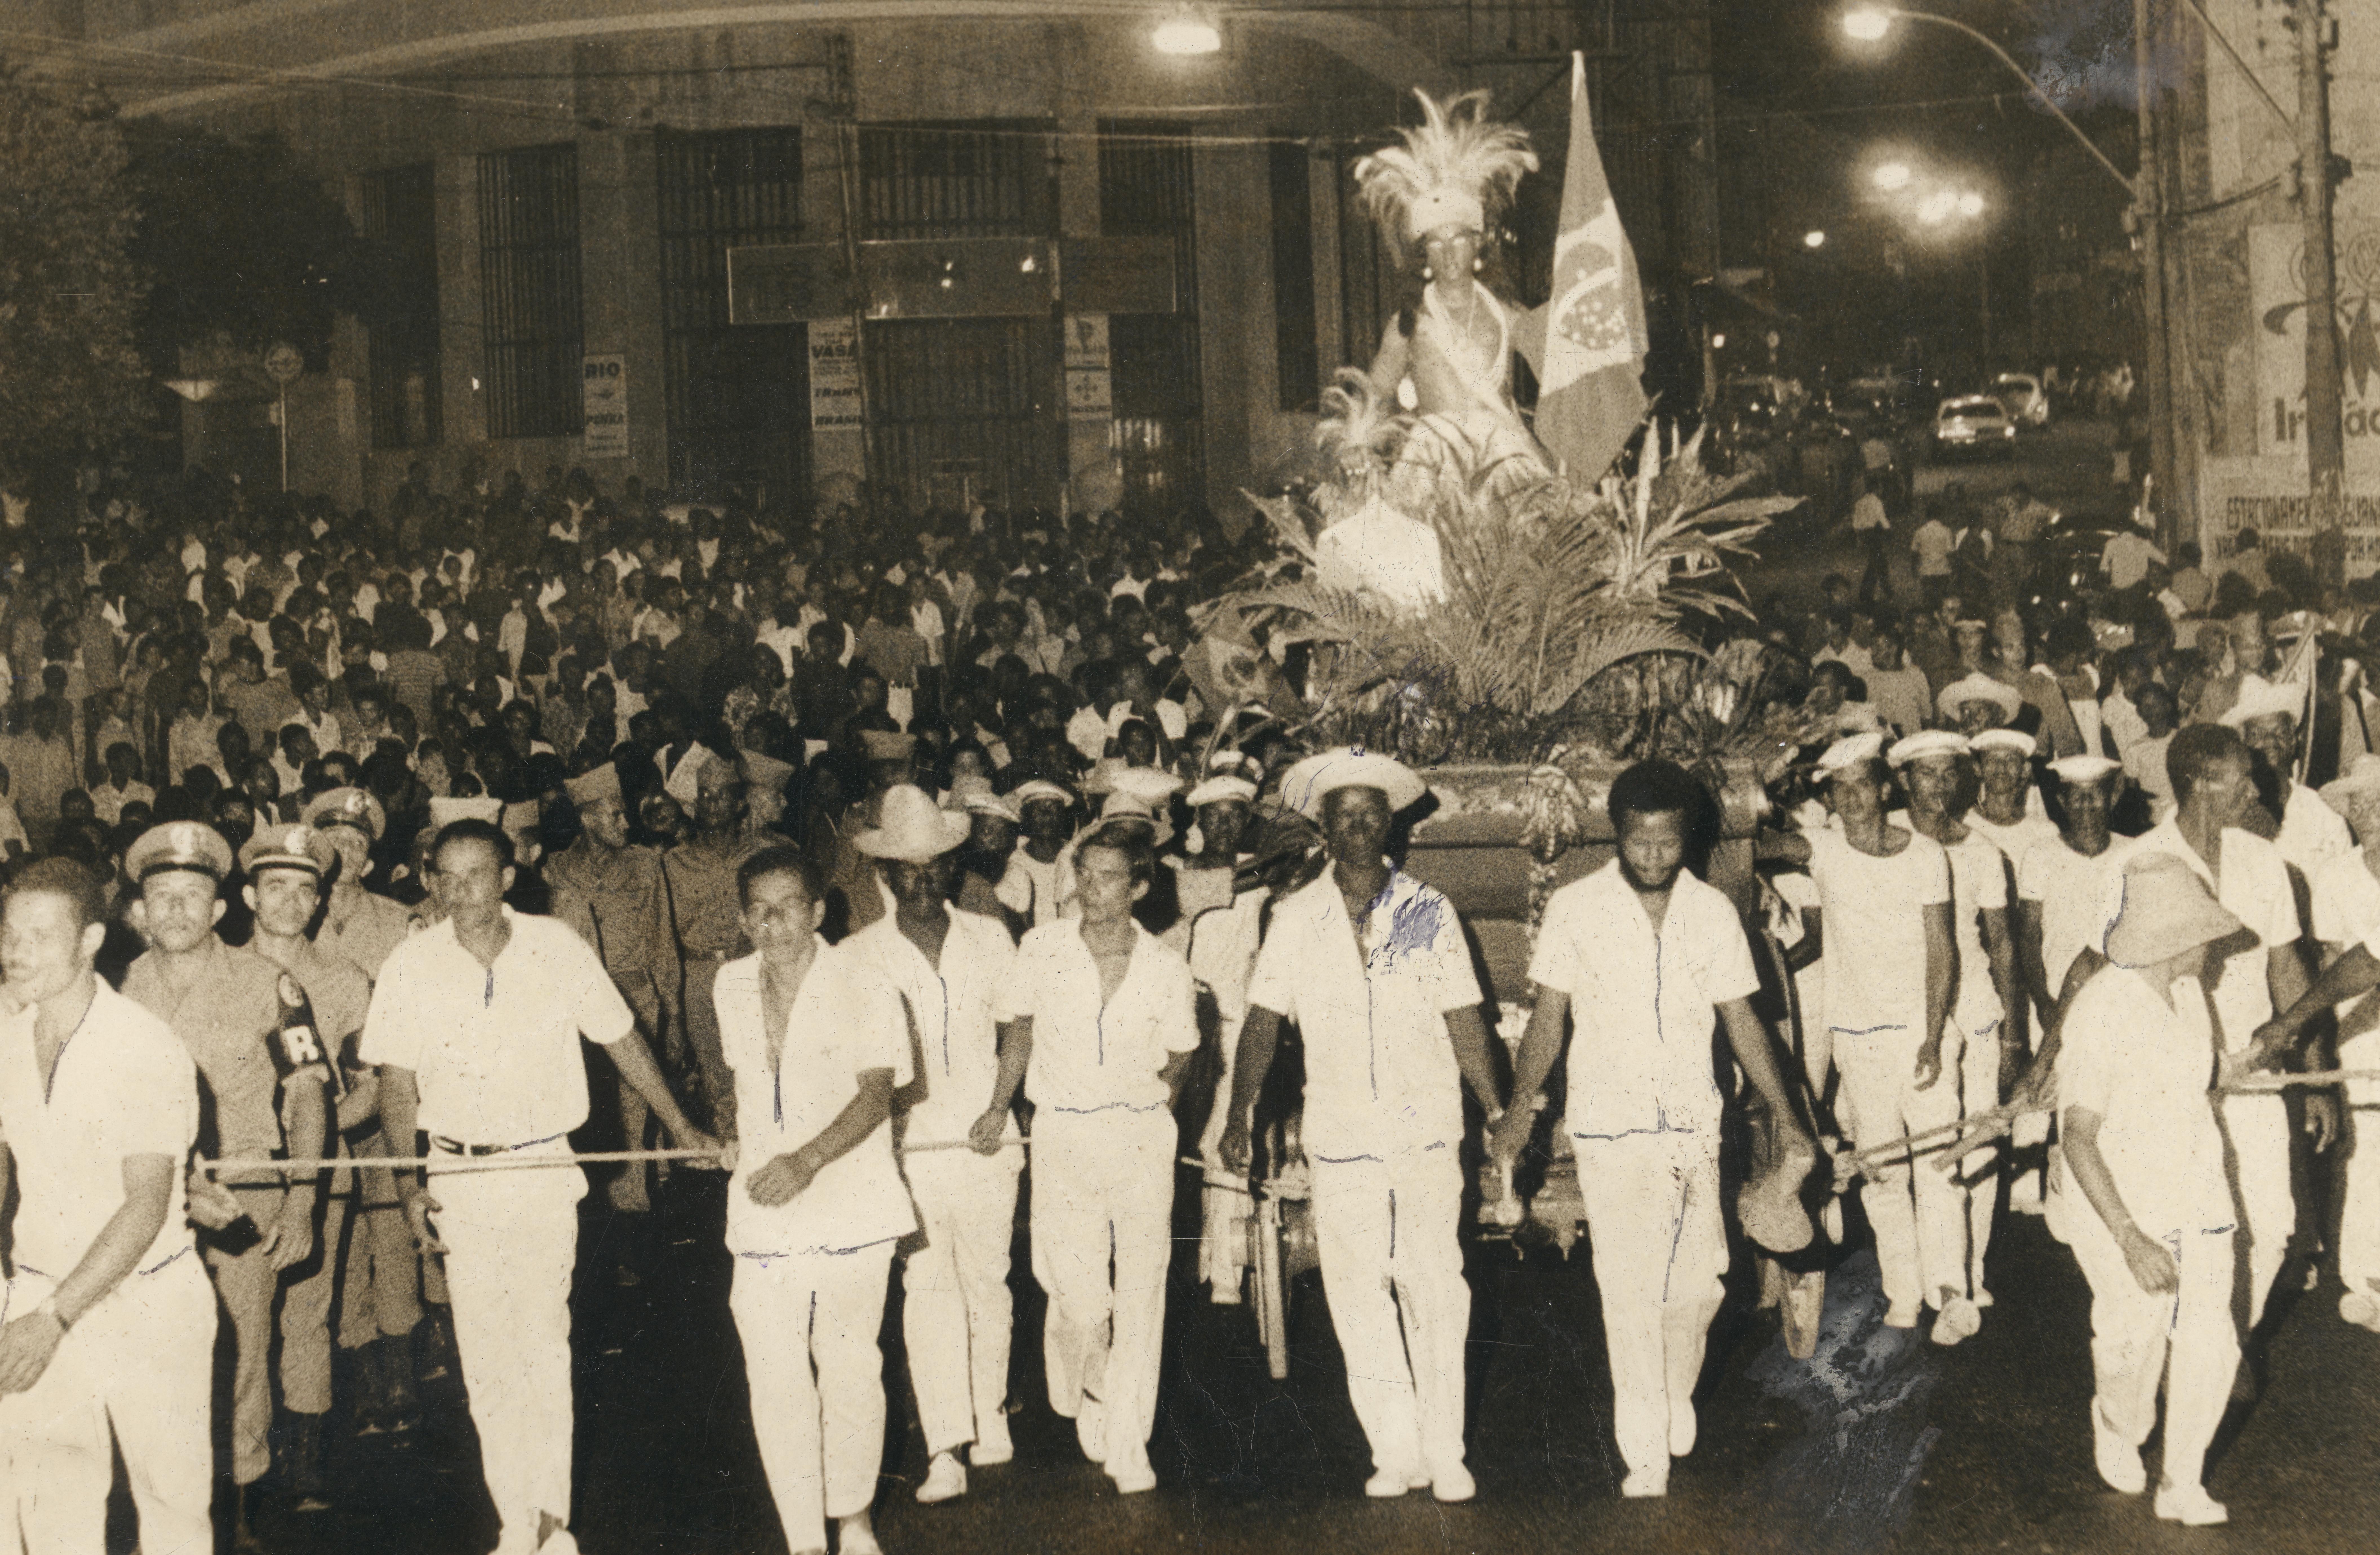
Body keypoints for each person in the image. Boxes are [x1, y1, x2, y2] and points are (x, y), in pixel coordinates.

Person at [361, 818, 719, 1555]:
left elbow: (624, 1041)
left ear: (507, 878)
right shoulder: (410, 963)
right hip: (458, 1176)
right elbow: (396, 1084)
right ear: (432, 879)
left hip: (542, 1170)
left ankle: (553, 1526)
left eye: (476, 876)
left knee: (542, 1347)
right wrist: (408, 1183)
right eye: (447, 877)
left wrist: (682, 1130)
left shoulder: (557, 947)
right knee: (487, 1362)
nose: (461, 893)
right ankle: (516, 1525)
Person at [1492, 760, 1813, 1496]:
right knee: (1629, 1289)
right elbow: (1549, 1019)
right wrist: (1518, 1112)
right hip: (1611, 1130)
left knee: (1699, 1288)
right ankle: (1643, 1449)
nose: (1653, 858)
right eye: (1639, 842)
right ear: (1618, 834)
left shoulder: (1712, 913)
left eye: (1668, 844)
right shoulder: (1576, 909)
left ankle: (1673, 1389)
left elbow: (1743, 1022)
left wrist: (1792, 1118)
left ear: (1687, 838)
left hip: (1693, 1127)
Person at [1221, 749, 1503, 1501]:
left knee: (1436, 1284)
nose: (1359, 831)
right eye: (1345, 818)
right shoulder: (1296, 917)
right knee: (1355, 1289)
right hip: (1341, 1133)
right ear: (1324, 828)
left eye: (1372, 818)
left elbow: (1465, 1020)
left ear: (1390, 827)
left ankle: (1446, 1450)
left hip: (1424, 1127)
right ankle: (1395, 1447)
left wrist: (1499, 1107)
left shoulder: (1425, 912)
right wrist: (1239, 1113)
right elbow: (1260, 1023)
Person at [2049, 725, 2321, 1337]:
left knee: (2274, 1227)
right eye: (2242, 775)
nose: (2257, 787)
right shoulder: (2134, 863)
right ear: (2201, 783)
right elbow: (2094, 967)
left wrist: (2316, 1072)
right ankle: (2191, 1349)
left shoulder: (2264, 860)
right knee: (2176, 1225)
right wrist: (2046, 1062)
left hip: (2253, 1071)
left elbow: (2287, 963)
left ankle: (2217, 1346)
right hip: (2164, 1082)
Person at [119, 820, 332, 1541]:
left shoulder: (268, 983)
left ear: (219, 911)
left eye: (193, 897)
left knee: (240, 1352)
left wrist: (303, 1199)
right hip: (151, 1203)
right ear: (139, 913)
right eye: (162, 897)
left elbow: (308, 1093)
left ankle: (239, 1509)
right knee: (154, 1355)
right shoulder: (126, 987)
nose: (177, 911)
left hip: (248, 1195)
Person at [0, 858, 214, 1555]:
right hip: (38, 1296)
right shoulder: (6, 1037)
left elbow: (145, 1206)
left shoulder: (142, 1045)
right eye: (9, 932)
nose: (16, 949)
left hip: (145, 1302)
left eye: (38, 933)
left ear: (90, 939)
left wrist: (54, 1316)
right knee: (53, 1509)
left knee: (171, 1509)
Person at [983, 820, 1201, 1495]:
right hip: (1061, 1135)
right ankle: (1094, 1378)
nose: (1093, 889)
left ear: (1139, 885)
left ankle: (1128, 1437)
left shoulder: (1168, 967)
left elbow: (1184, 1053)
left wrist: (1150, 1110)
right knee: (1073, 1288)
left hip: (1137, 1137)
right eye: (1086, 874)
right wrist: (998, 1104)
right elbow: (1016, 1029)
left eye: (1110, 877)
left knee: (1141, 1288)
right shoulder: (1040, 947)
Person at [715, 847, 912, 1555]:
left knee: (850, 1364)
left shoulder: (865, 979)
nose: (775, 922)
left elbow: (876, 1093)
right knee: (773, 1372)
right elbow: (742, 1084)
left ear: (817, 909)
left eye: (789, 904)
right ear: (742, 919)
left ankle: (853, 1519)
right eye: (759, 910)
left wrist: (806, 1159)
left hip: (849, 1201)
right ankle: (803, 1539)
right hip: (764, 1207)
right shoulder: (729, 985)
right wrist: (725, 1130)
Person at [844, 787, 1022, 1505]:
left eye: (932, 866)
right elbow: (862, 1073)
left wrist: (999, 1104)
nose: (920, 879)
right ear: (885, 875)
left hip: (987, 1139)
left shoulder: (991, 935)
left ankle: (989, 1415)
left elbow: (1019, 1028)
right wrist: (878, 1153)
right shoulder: (857, 956)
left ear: (952, 868)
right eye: (905, 869)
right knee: (926, 1288)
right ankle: (943, 1444)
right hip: (908, 1149)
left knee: (988, 1279)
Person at [2056, 853, 2244, 1526]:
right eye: (2202, 930)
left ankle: (2181, 1479)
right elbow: (2076, 1134)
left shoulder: (2191, 993)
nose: (2212, 940)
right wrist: (2129, 1235)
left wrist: (2236, 1064)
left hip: (2196, 1191)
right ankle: (2115, 1419)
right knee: (2131, 1346)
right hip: (2121, 1205)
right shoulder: (2100, 1007)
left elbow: (2190, 1075)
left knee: (2209, 1341)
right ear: (2171, 936)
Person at [1770, 734, 1960, 1330]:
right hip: (1857, 1037)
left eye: (1861, 783)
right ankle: (1904, 1294)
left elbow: (1943, 951)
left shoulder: (1927, 855)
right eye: (1839, 787)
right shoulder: (1823, 851)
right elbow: (1754, 844)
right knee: (1882, 1173)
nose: (1851, 796)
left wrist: (1932, 1037)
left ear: (1885, 789)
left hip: (1922, 1035)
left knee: (1938, 1165)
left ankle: (1950, 1293)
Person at [236, 820, 375, 1512]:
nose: (290, 902)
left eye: (304, 890)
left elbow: (372, 1085)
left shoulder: (345, 979)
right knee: (241, 1319)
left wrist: (309, 1139)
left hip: (320, 1176)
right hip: (235, 1180)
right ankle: (242, 1456)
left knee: (306, 1314)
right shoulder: (220, 968)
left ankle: (305, 1453)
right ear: (250, 895)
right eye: (276, 887)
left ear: (321, 902)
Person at [1893, 731, 2023, 1332]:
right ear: (1904, 781)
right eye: (1926, 774)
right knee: (1939, 1146)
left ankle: (1972, 1272)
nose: (1939, 786)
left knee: (1983, 1139)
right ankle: (1946, 1286)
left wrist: (2015, 1036)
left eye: (1949, 774)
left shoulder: (1985, 853)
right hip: (1918, 1015)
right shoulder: (1883, 843)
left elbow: (2001, 946)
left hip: (1977, 1009)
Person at [547, 761, 678, 1220]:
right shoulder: (556, 869)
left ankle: (632, 1218)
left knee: (633, 1108)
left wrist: (673, 1014)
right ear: (586, 819)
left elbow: (663, 942)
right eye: (614, 815)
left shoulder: (645, 865)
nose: (626, 824)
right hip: (577, 1010)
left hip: (634, 1000)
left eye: (624, 814)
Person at [663, 750, 745, 1132]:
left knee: (756, 1065)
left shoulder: (762, 853)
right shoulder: (674, 862)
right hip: (700, 978)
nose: (712, 805)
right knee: (716, 1077)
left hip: (750, 971)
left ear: (740, 802)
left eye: (722, 795)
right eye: (705, 796)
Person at [2224, 674, 2353, 879]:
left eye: (2280, 732)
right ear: (2243, 745)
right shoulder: (2227, 813)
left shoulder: (2323, 816)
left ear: (2294, 740)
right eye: (2257, 734)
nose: (2270, 741)